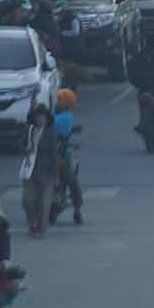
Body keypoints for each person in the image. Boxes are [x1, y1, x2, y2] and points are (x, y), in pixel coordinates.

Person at [20, 103, 59, 237]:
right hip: (30, 170)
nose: (41, 120)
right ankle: (32, 224)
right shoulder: (29, 130)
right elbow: (21, 144)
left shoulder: (50, 133)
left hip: (47, 172)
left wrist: (56, 175)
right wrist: (25, 149)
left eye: (43, 117)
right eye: (38, 117)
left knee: (44, 203)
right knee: (27, 200)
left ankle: (41, 229)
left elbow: (55, 154)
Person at [52, 88, 83, 225]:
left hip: (54, 155)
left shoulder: (55, 117)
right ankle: (77, 210)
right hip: (62, 155)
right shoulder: (66, 117)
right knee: (73, 182)